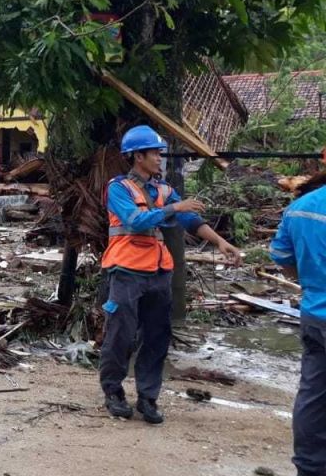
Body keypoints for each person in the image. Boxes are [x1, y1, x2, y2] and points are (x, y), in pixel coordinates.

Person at [99, 125, 241, 423]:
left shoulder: (163, 190)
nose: (159, 158)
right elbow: (135, 221)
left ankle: (148, 398)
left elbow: (190, 219)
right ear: (137, 156)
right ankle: (113, 391)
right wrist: (175, 206)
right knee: (120, 335)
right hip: (125, 269)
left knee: (157, 336)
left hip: (158, 272)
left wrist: (220, 242)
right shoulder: (118, 188)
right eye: (155, 153)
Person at [270, 181, 326, 476]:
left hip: (315, 314)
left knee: (314, 395)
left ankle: (309, 467)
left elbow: (282, 256)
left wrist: (311, 283)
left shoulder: (301, 208)